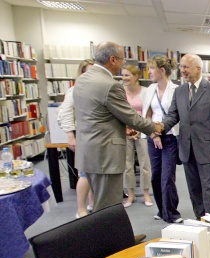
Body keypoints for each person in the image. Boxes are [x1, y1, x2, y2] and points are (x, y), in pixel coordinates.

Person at [73, 41, 163, 212]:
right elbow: (131, 117)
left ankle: (118, 237)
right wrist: (155, 128)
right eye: (122, 60)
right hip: (105, 154)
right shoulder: (110, 85)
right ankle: (110, 239)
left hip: (88, 151)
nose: (123, 65)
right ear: (112, 59)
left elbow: (97, 114)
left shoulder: (82, 79)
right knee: (108, 206)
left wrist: (121, 127)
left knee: (98, 202)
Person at [162, 54, 210, 219]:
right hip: (186, 148)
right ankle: (200, 218)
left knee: (208, 188)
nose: (182, 71)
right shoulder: (179, 91)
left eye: (186, 67)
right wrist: (160, 127)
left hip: (207, 148)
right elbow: (172, 116)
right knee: (194, 188)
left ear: (198, 69)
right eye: (181, 67)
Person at [142, 55, 182, 223]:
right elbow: (147, 113)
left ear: (162, 70)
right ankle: (161, 208)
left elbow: (177, 115)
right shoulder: (150, 89)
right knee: (155, 176)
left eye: (151, 68)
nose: (149, 72)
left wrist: (161, 132)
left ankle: (171, 213)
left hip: (170, 137)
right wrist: (153, 134)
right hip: (152, 137)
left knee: (167, 177)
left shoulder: (177, 89)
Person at [57, 59, 95, 218]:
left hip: (97, 137)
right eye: (88, 72)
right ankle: (81, 209)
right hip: (83, 137)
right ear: (81, 73)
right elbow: (65, 113)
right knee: (85, 173)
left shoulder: (97, 89)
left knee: (96, 174)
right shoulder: (74, 91)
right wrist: (70, 136)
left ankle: (93, 205)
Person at [121, 64, 153, 208]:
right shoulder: (120, 91)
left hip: (143, 131)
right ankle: (130, 195)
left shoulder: (146, 92)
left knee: (145, 164)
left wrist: (141, 129)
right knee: (127, 165)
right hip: (124, 131)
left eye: (127, 75)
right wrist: (127, 128)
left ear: (136, 76)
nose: (124, 78)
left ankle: (146, 193)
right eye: (123, 75)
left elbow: (149, 113)